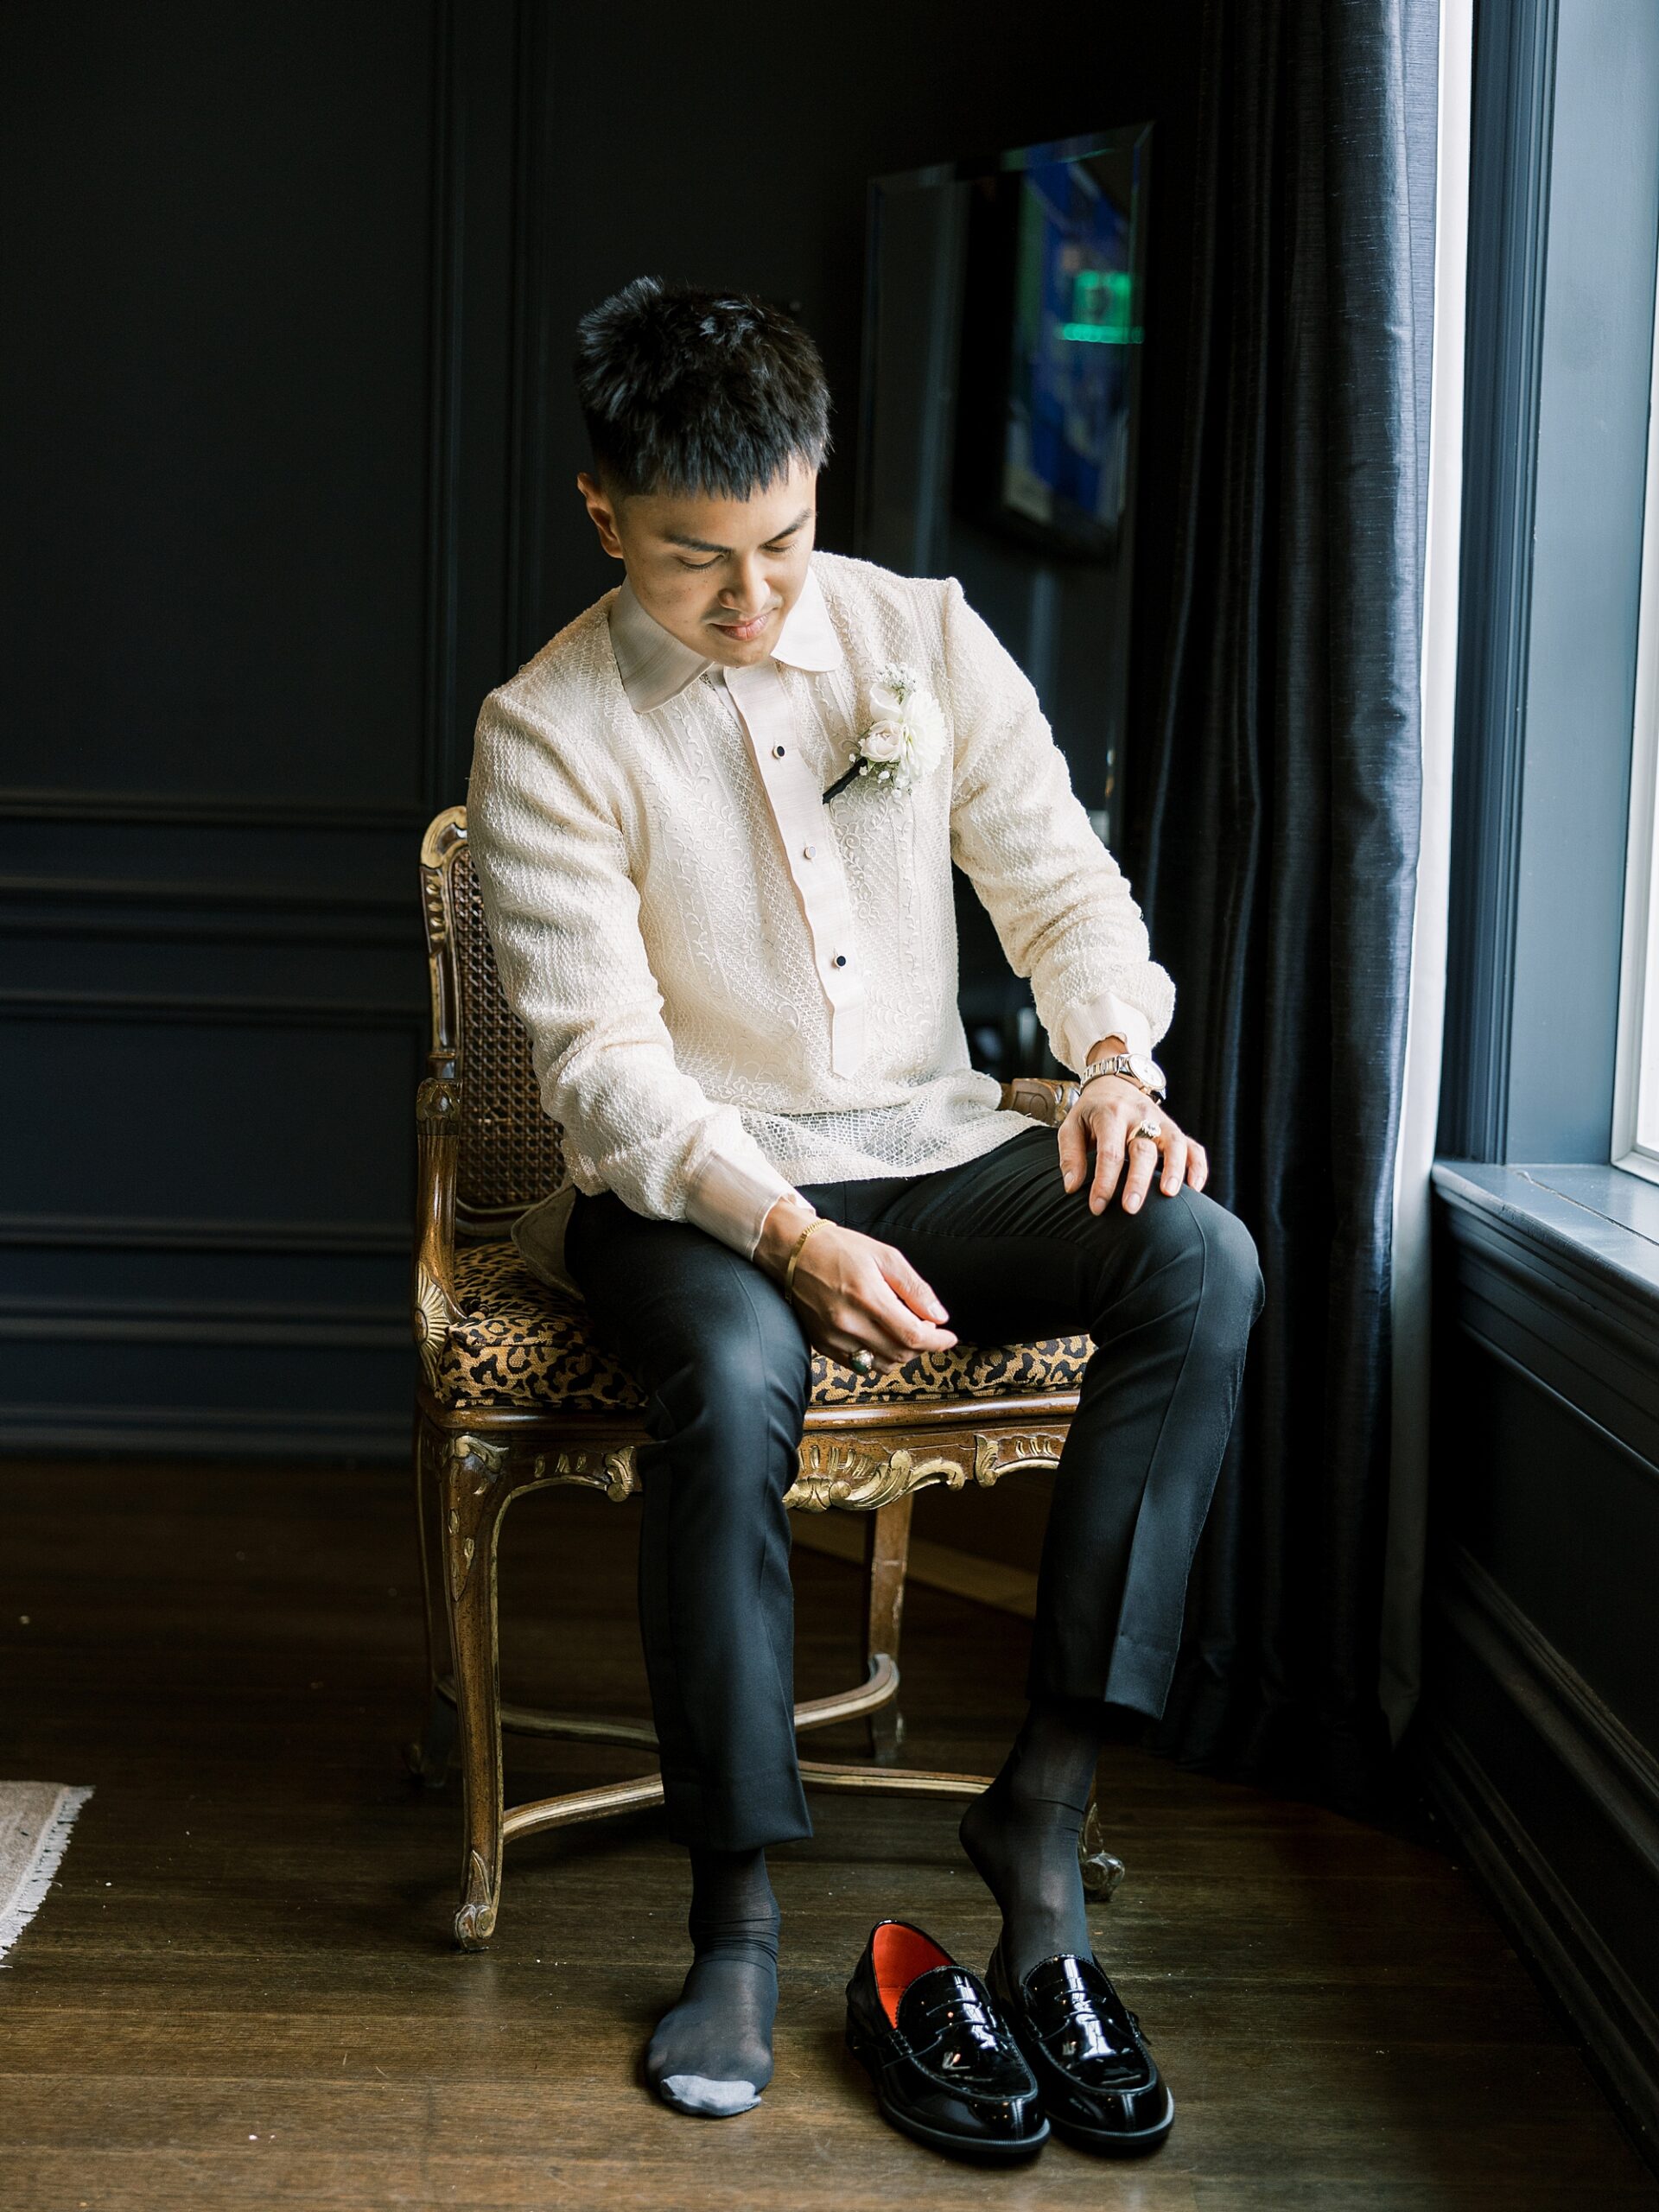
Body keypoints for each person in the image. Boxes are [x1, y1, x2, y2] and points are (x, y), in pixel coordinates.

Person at [467, 276, 1263, 2136]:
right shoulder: (546, 730)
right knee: (737, 1363)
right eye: (696, 563)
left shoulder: (927, 638)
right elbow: (607, 1074)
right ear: (604, 515)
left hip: (927, 1131)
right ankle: (734, 1910)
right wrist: (792, 1234)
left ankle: (1042, 1823)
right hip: (687, 1182)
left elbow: (1062, 886)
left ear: (820, 478)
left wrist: (1116, 1065)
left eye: (786, 542)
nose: (754, 602)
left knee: (1201, 1256)